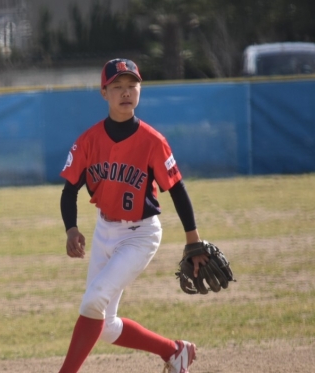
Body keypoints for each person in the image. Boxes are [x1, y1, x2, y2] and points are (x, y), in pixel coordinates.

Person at [57, 59, 207, 373]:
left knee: (93, 300)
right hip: (104, 230)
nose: (126, 92)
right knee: (106, 325)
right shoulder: (88, 141)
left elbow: (176, 189)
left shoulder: (152, 141)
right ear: (104, 93)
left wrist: (193, 241)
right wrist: (71, 229)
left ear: (140, 90)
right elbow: (69, 191)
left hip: (140, 234)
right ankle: (175, 351)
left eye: (132, 85)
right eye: (117, 87)